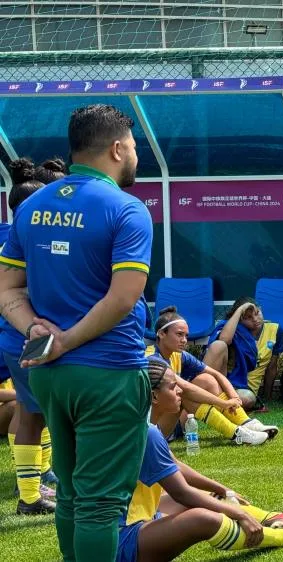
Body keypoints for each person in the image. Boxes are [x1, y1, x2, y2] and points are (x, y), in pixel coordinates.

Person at [0, 104, 154, 561]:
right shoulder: (128, 210)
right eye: (133, 146)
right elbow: (123, 298)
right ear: (116, 147)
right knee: (102, 504)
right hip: (107, 374)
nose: (135, 155)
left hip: (48, 373)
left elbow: (6, 289)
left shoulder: (32, 206)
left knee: (70, 491)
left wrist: (36, 330)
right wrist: (65, 339)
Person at [116, 359, 283, 561]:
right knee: (203, 518)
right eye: (173, 387)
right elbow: (181, 491)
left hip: (135, 520)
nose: (180, 390)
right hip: (122, 537)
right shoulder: (145, 432)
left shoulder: (138, 425)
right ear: (154, 396)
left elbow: (175, 466)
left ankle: (274, 518)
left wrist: (221, 489)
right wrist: (236, 512)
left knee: (210, 497)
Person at [1, 157, 61, 515]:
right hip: (35, 336)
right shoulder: (35, 243)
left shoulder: (10, 236)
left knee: (29, 415)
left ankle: (31, 493)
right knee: (57, 415)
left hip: (12, 337)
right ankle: (47, 489)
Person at [147, 306, 275, 445]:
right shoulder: (153, 359)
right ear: (161, 334)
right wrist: (223, 403)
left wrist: (234, 397)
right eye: (179, 334)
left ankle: (246, 423)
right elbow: (186, 388)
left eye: (186, 336)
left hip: (175, 422)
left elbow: (215, 374)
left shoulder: (179, 355)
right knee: (182, 391)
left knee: (206, 379)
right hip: (154, 429)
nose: (184, 340)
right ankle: (236, 433)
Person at [203, 297, 283, 411]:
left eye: (257, 313)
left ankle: (214, 402)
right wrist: (240, 310)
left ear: (261, 309)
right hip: (223, 382)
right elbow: (224, 339)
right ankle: (206, 395)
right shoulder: (231, 329)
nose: (255, 319)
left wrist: (268, 397)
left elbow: (272, 367)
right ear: (239, 320)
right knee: (218, 345)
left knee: (247, 399)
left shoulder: (275, 329)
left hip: (243, 389)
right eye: (248, 317)